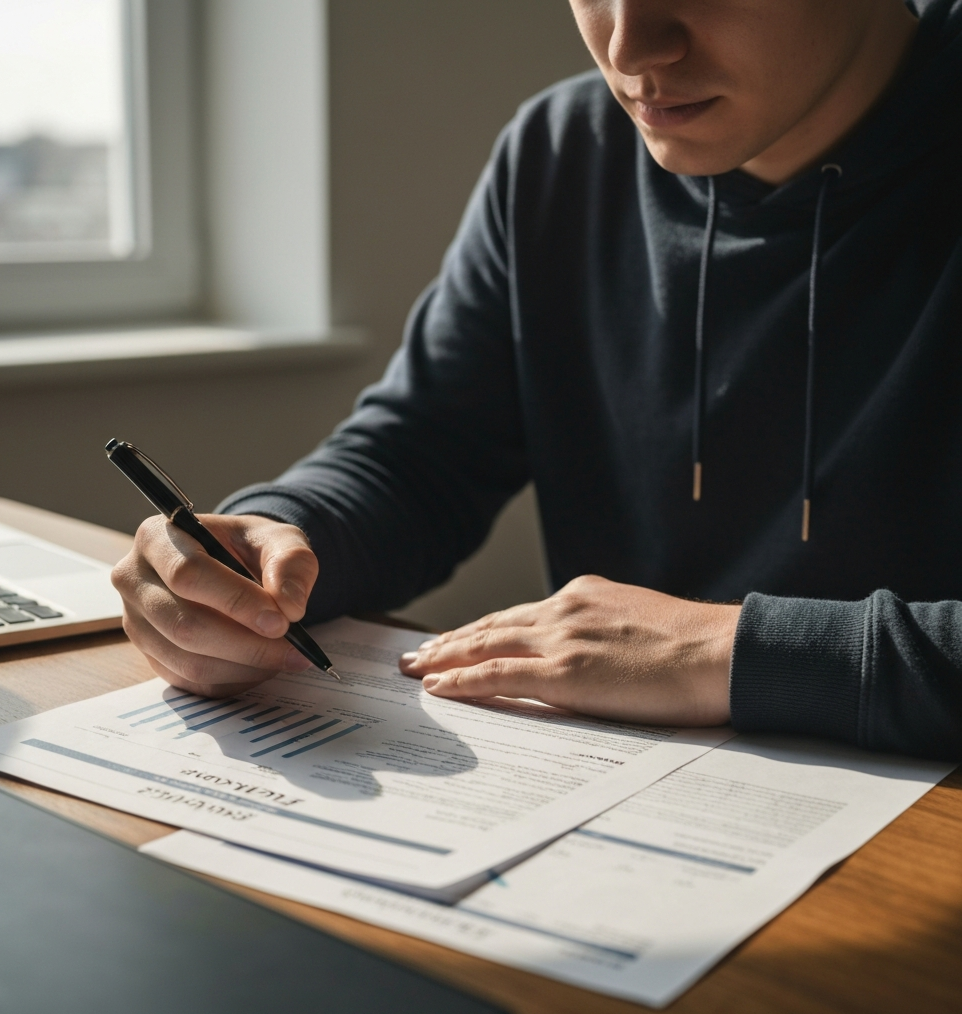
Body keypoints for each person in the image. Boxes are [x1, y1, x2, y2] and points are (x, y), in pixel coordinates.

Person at [112, 0, 962, 759]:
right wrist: (272, 544)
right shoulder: (563, 151)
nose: (630, 46)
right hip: (642, 800)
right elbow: (423, 454)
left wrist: (728, 653)